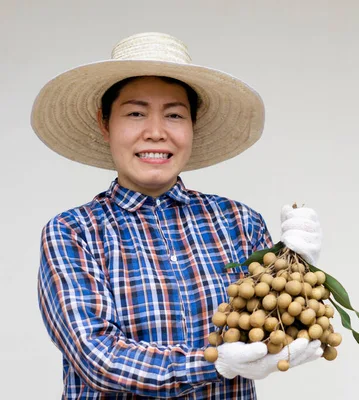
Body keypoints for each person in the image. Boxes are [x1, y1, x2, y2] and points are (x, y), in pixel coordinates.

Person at [32, 32, 323, 399]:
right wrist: (213, 363)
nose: (156, 132)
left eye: (174, 115)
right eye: (135, 113)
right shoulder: (72, 232)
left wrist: (296, 266)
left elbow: (272, 330)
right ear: (105, 124)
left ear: (193, 126)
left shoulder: (239, 222)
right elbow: (96, 357)